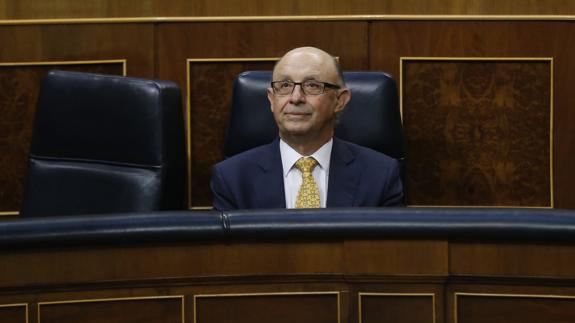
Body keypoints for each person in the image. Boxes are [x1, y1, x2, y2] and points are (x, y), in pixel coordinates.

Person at [211, 46, 403, 211]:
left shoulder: (380, 175)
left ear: (340, 100)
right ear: (271, 99)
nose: (295, 98)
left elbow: (387, 252)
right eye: (285, 85)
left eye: (312, 85)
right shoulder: (232, 178)